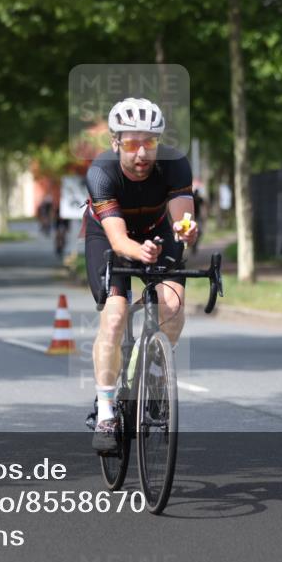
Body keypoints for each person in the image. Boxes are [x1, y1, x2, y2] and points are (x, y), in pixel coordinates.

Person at [84, 97, 198, 451]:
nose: (142, 154)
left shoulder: (175, 164)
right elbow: (119, 240)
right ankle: (105, 413)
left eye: (149, 143)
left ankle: (155, 371)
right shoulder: (101, 173)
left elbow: (182, 217)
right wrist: (139, 251)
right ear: (116, 143)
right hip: (108, 237)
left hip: (156, 230)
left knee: (173, 302)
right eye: (132, 144)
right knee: (115, 316)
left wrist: (186, 230)